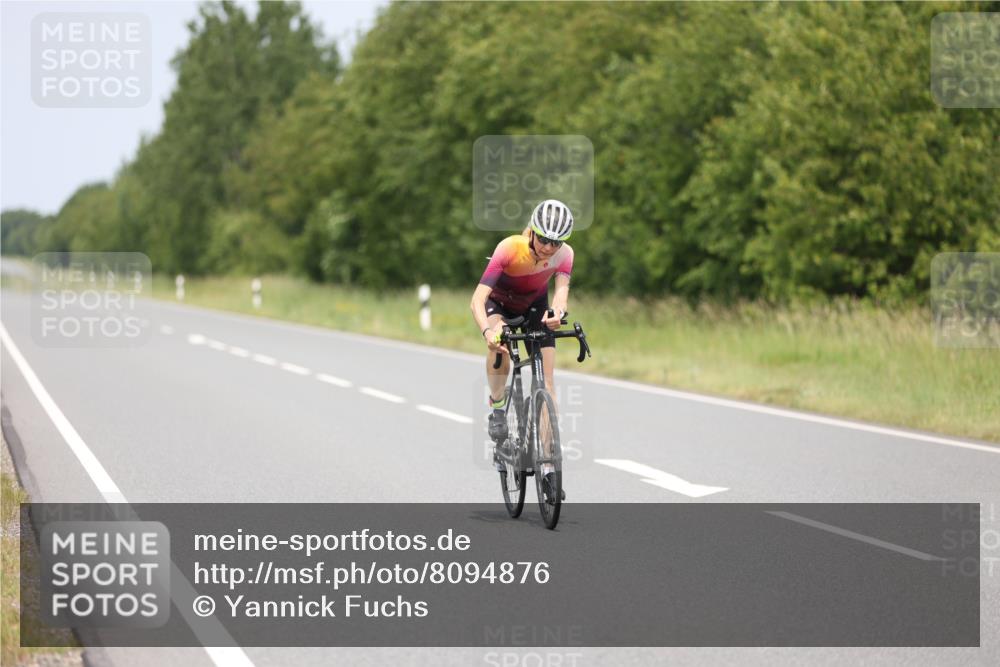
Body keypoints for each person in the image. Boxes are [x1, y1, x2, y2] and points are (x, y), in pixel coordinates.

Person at [470, 199, 575, 502]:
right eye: (543, 239)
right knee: (500, 346)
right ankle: (498, 407)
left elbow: (561, 294)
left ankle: (549, 468)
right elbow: (477, 300)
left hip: (534, 307)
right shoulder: (510, 248)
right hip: (499, 304)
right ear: (532, 232)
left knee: (547, 383)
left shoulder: (565, 255)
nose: (548, 247)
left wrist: (556, 313)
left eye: (556, 242)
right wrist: (488, 332)